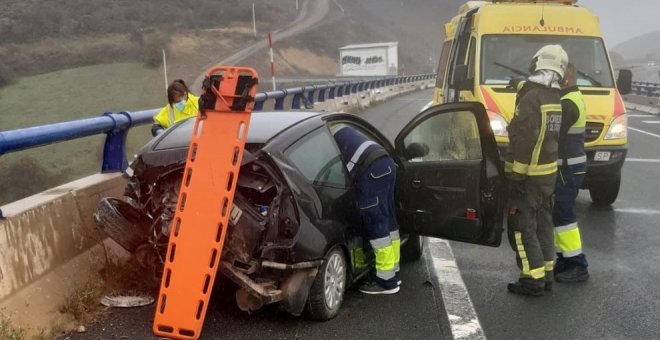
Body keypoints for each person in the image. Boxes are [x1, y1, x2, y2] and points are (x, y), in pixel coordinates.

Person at [504, 44, 568, 296]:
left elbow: (525, 138)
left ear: (539, 63)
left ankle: (532, 279)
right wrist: (521, 86)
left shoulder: (532, 99)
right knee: (543, 223)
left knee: (522, 226)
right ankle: (547, 273)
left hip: (528, 175)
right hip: (547, 174)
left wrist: (516, 174)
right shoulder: (553, 98)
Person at [332, 124, 400, 295]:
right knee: (388, 219)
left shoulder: (324, 138)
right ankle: (394, 272)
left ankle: (386, 282)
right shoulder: (342, 127)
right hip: (387, 164)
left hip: (371, 172)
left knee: (376, 223)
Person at [553, 63, 589, 283]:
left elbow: (553, 136)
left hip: (567, 167)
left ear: (567, 75)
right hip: (570, 166)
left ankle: (578, 264)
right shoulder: (571, 98)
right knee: (560, 214)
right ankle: (566, 259)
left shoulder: (567, 104)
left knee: (565, 216)